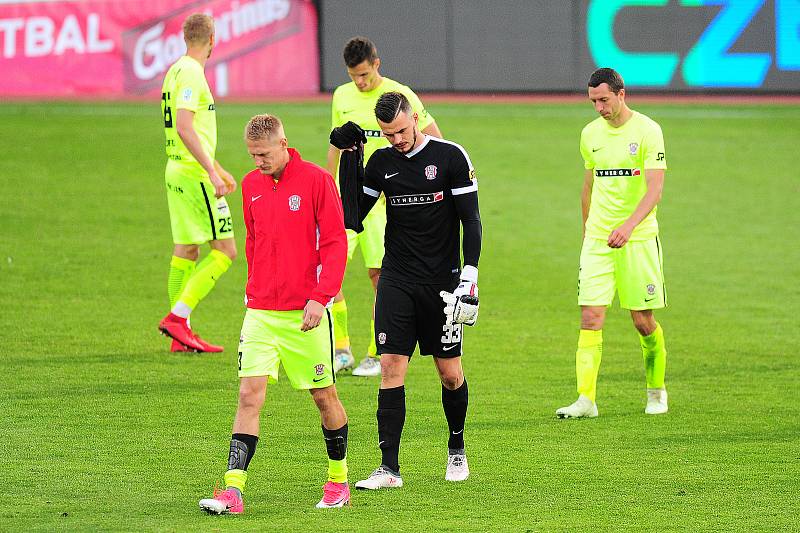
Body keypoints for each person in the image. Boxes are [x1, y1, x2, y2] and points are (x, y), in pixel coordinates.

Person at [198, 115, 351, 513]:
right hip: (261, 313)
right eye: (252, 155)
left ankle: (338, 481)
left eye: (263, 154)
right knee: (249, 395)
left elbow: (335, 244)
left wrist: (322, 297)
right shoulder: (250, 185)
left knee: (324, 397)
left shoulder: (317, 181)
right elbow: (253, 240)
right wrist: (255, 291)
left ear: (284, 143)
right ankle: (233, 491)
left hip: (307, 314)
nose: (257, 162)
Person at [337, 92, 482, 488]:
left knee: (449, 374)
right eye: (388, 134)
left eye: (401, 130)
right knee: (389, 368)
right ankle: (389, 468)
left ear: (415, 118)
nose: (397, 140)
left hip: (443, 284)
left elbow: (471, 220)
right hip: (397, 278)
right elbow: (350, 216)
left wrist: (469, 272)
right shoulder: (382, 163)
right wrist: (351, 156)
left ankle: (456, 450)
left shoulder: (451, 157)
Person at [556, 67, 669, 419]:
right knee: (590, 316)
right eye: (593, 101)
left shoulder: (649, 131)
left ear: (622, 94)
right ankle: (586, 400)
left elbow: (655, 189)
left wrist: (628, 226)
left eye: (604, 99)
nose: (599, 107)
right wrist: (588, 230)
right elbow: (588, 185)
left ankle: (656, 390)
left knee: (641, 320)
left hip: (638, 238)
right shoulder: (590, 134)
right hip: (599, 239)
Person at [327, 36, 443, 377]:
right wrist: (328, 186)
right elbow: (335, 143)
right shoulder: (341, 96)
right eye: (353, 76)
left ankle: (377, 352)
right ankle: (341, 348)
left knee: (381, 277)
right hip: (347, 202)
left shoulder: (399, 94)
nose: (359, 82)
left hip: (382, 205)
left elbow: (433, 136)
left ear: (376, 64)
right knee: (328, 272)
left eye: (364, 74)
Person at [157, 13, 237, 353]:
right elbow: (185, 126)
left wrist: (217, 165)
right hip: (194, 175)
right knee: (225, 252)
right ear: (212, 39)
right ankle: (178, 317)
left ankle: (180, 334)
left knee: (187, 250)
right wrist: (211, 172)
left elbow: (189, 130)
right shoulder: (191, 72)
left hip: (177, 169)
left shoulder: (174, 69)